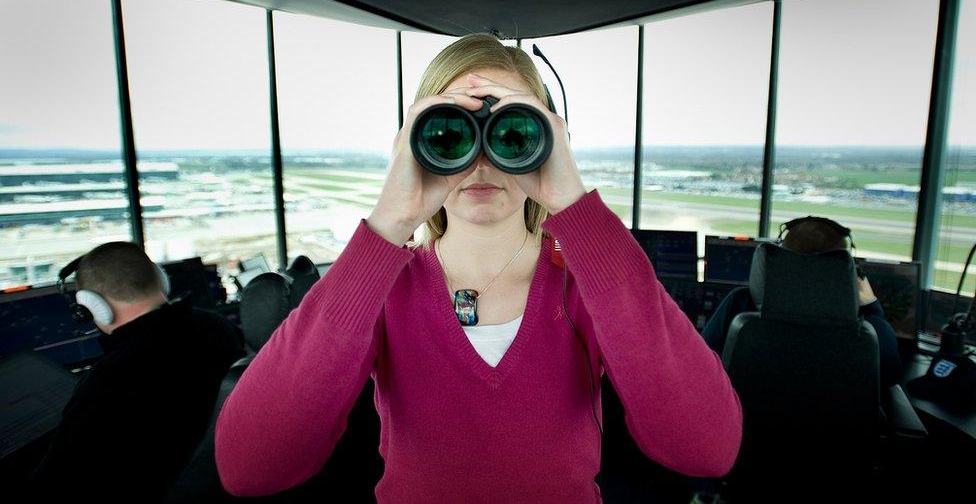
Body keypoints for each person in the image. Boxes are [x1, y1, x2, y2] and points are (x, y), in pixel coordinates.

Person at [214, 33, 742, 502]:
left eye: (512, 133)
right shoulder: (380, 289)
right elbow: (250, 467)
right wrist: (388, 224)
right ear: (412, 146)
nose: (483, 160)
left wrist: (576, 208)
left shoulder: (586, 284)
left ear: (549, 141)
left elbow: (705, 449)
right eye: (449, 134)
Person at [29, 242, 246, 502]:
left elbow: (56, 483)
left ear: (90, 305)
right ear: (161, 280)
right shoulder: (218, 327)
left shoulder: (111, 379)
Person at [700, 217, 903, 387]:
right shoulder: (870, 327)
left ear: (780, 260)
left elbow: (701, 362)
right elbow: (889, 378)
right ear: (846, 268)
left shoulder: (740, 303)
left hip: (748, 432)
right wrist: (871, 306)